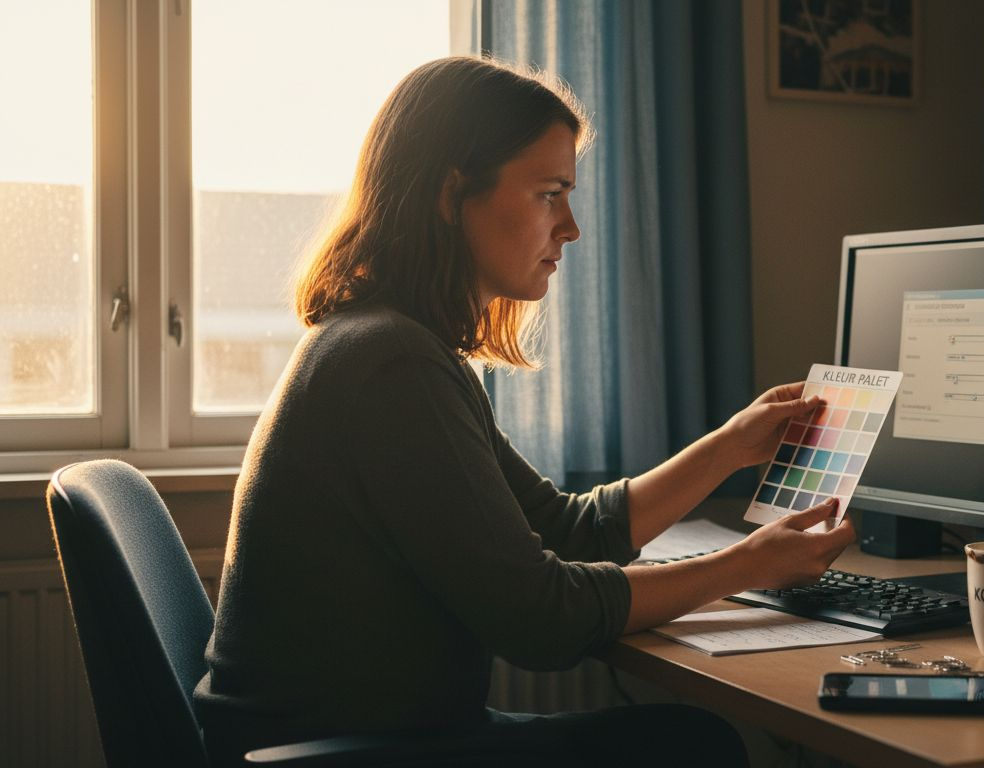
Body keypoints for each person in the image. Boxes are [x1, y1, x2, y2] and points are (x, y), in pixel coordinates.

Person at [194, 56, 854, 767]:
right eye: (549, 194)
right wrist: (743, 566)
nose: (570, 227)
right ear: (452, 195)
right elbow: (539, 619)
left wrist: (727, 446)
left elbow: (565, 529)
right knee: (692, 746)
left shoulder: (392, 346)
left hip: (353, 741)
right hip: (345, 754)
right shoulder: (393, 365)